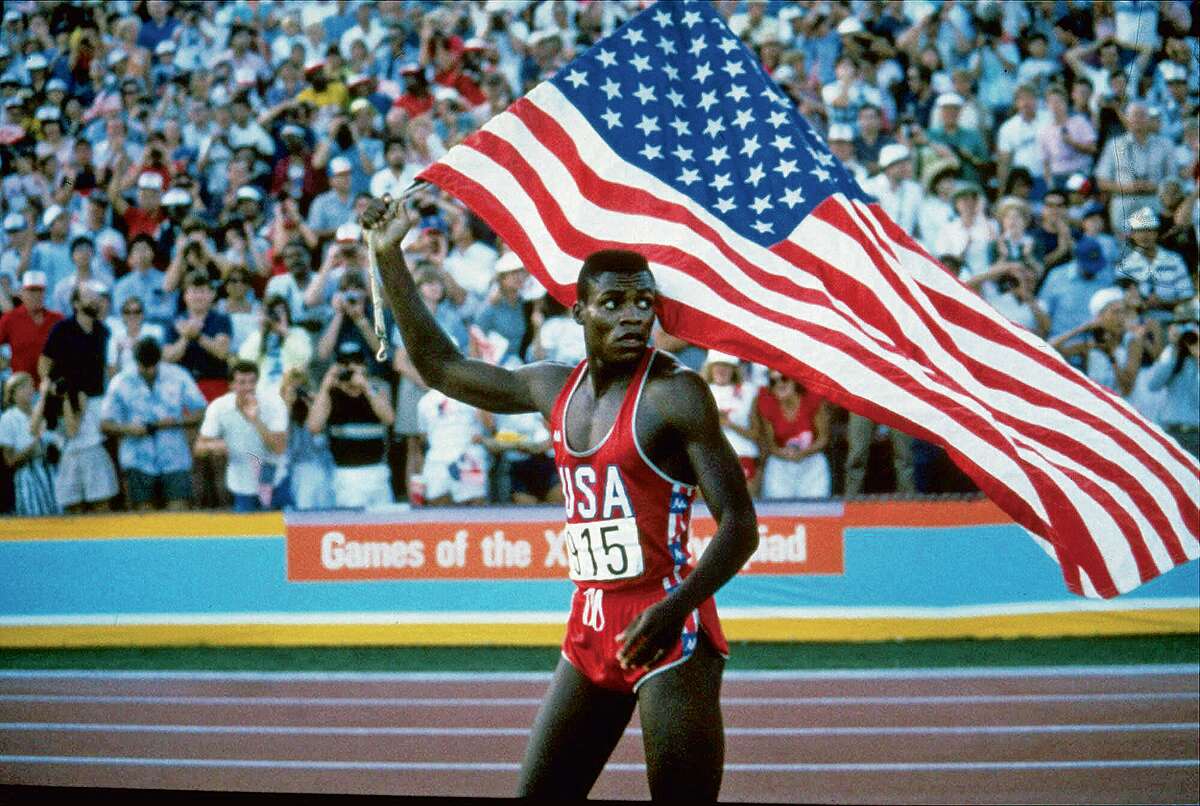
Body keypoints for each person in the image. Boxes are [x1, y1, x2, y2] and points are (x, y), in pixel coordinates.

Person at [361, 198, 758, 800]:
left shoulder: (676, 395)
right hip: (591, 624)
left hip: (669, 629)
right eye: (614, 303)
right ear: (579, 313)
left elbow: (740, 525)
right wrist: (389, 255)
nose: (633, 317)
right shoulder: (552, 387)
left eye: (645, 303)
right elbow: (442, 367)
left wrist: (677, 606)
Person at [100, 336, 207, 511]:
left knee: (178, 514)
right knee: (144, 519)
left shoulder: (178, 376)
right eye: (144, 366)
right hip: (137, 460)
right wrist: (128, 429)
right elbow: (105, 424)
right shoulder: (121, 381)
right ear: (136, 361)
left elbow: (202, 411)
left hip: (174, 458)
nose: (149, 370)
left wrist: (176, 421)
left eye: (153, 365)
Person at [305, 340, 395, 509]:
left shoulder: (376, 388)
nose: (351, 367)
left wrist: (366, 387)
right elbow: (314, 427)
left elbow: (389, 418)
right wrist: (325, 386)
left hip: (378, 471)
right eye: (345, 363)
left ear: (365, 364)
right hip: (346, 475)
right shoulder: (330, 394)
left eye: (357, 362)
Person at [194, 360, 290, 512]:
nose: (248, 387)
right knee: (248, 531)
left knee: (279, 530)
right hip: (241, 482)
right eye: (242, 382)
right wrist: (215, 446)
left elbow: (279, 448)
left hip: (274, 477)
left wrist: (256, 420)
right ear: (231, 385)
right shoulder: (219, 407)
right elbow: (199, 447)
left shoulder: (274, 403)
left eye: (252, 382)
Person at [754, 371, 831, 499]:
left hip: (811, 460)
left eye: (784, 378)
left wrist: (803, 453)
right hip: (781, 462)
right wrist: (783, 453)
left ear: (794, 380)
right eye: (773, 382)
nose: (779, 384)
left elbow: (823, 439)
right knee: (778, 510)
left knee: (816, 508)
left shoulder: (811, 399)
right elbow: (771, 445)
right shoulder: (768, 404)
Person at [701, 351, 761, 494]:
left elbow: (756, 433)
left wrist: (730, 424)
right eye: (718, 365)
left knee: (746, 507)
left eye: (726, 366)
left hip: (743, 454)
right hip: (711, 458)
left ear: (734, 368)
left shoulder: (748, 391)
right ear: (710, 367)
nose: (722, 370)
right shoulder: (700, 390)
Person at [0, 372, 58, 516]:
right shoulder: (8, 418)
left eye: (31, 386)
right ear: (12, 393)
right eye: (23, 387)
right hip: (27, 478)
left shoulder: (39, 413)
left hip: (50, 473)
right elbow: (9, 460)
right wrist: (34, 446)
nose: (30, 390)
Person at [1146, 321, 1200, 460]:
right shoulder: (1171, 353)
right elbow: (1153, 385)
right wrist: (1174, 351)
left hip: (1196, 432)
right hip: (1172, 429)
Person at [0, 272, 63, 386]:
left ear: (44, 294)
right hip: (22, 391)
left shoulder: (57, 319)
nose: (35, 295)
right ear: (22, 293)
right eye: (31, 291)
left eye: (39, 291)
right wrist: (4, 362)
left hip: (51, 388)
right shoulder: (10, 319)